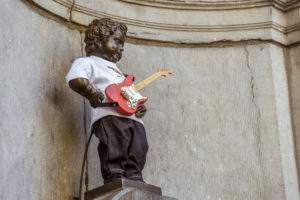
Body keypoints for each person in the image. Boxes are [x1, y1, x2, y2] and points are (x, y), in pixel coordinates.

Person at [65, 18, 148, 184]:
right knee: (116, 142)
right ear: (97, 40)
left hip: (132, 118)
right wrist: (89, 92)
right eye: (116, 42)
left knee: (140, 145)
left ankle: (134, 175)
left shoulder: (118, 72)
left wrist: (138, 107)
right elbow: (75, 78)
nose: (121, 48)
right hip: (110, 114)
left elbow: (130, 93)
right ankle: (114, 175)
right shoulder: (88, 62)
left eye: (122, 44)